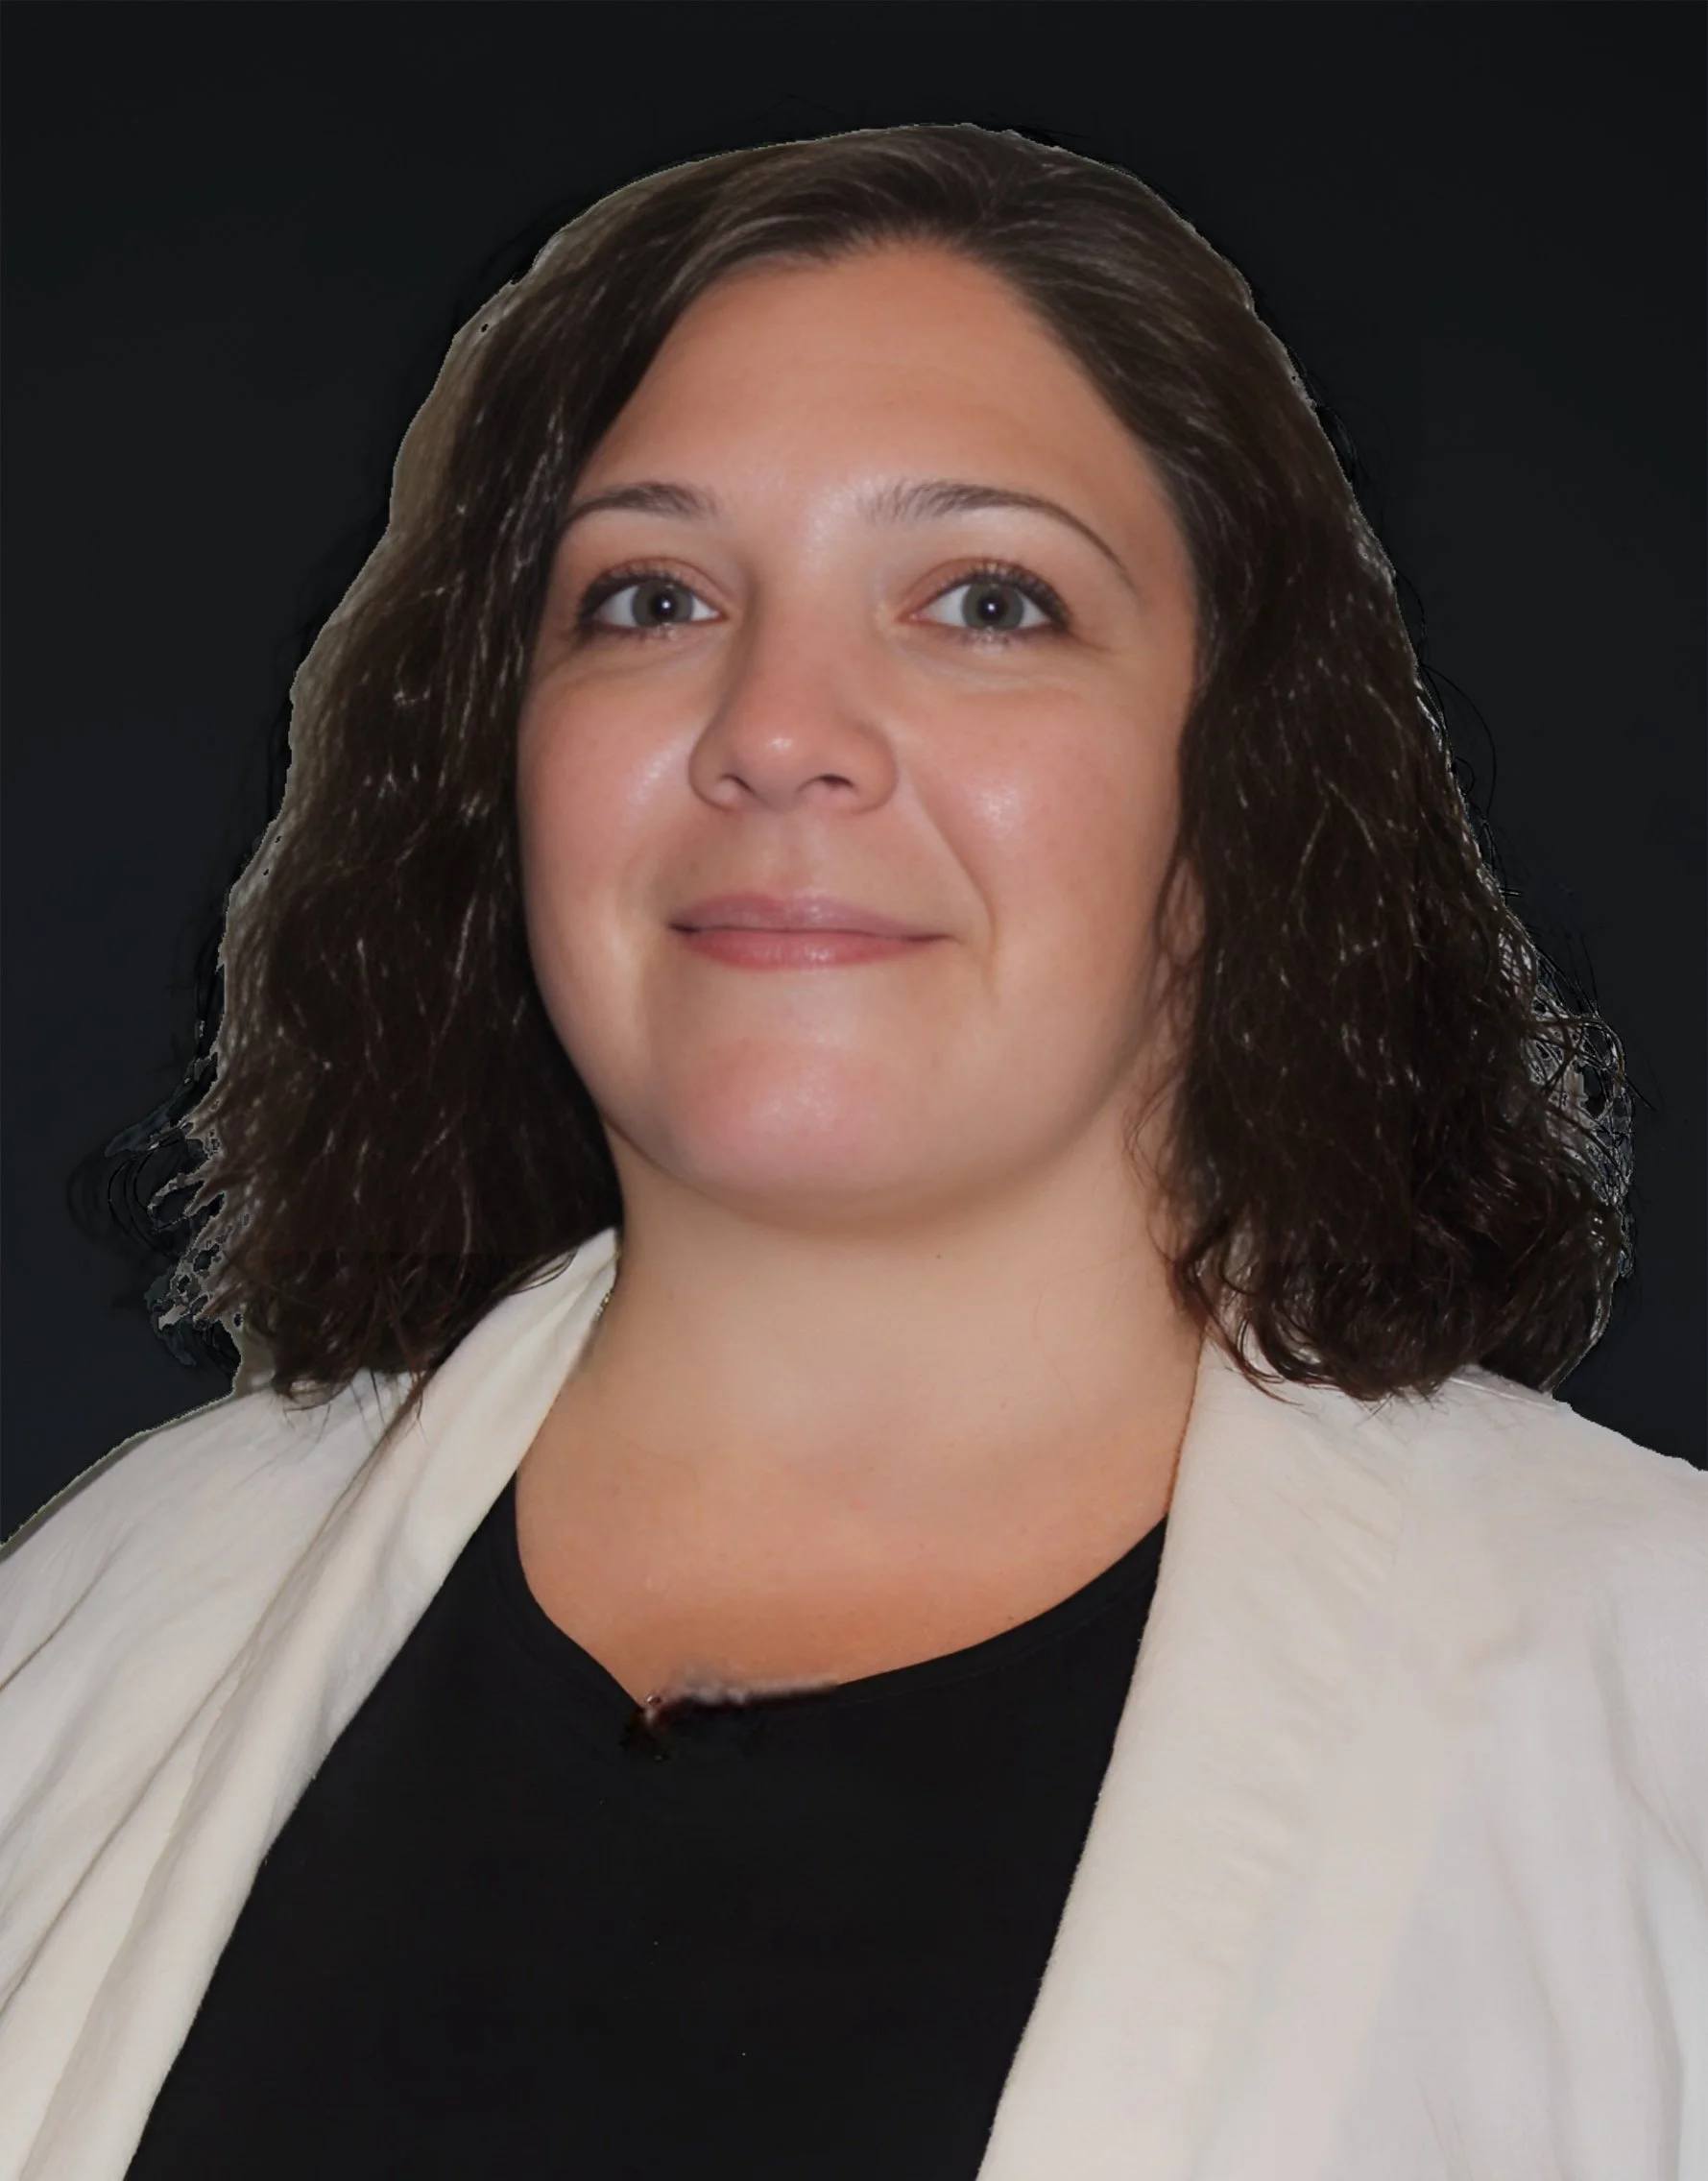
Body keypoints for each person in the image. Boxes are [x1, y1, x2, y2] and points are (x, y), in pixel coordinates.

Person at [0, 124, 1701, 2181]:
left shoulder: (1651, 1701)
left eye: (986, 600)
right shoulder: (96, 1623)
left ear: (1244, 781)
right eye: (649, 595)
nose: (775, 723)